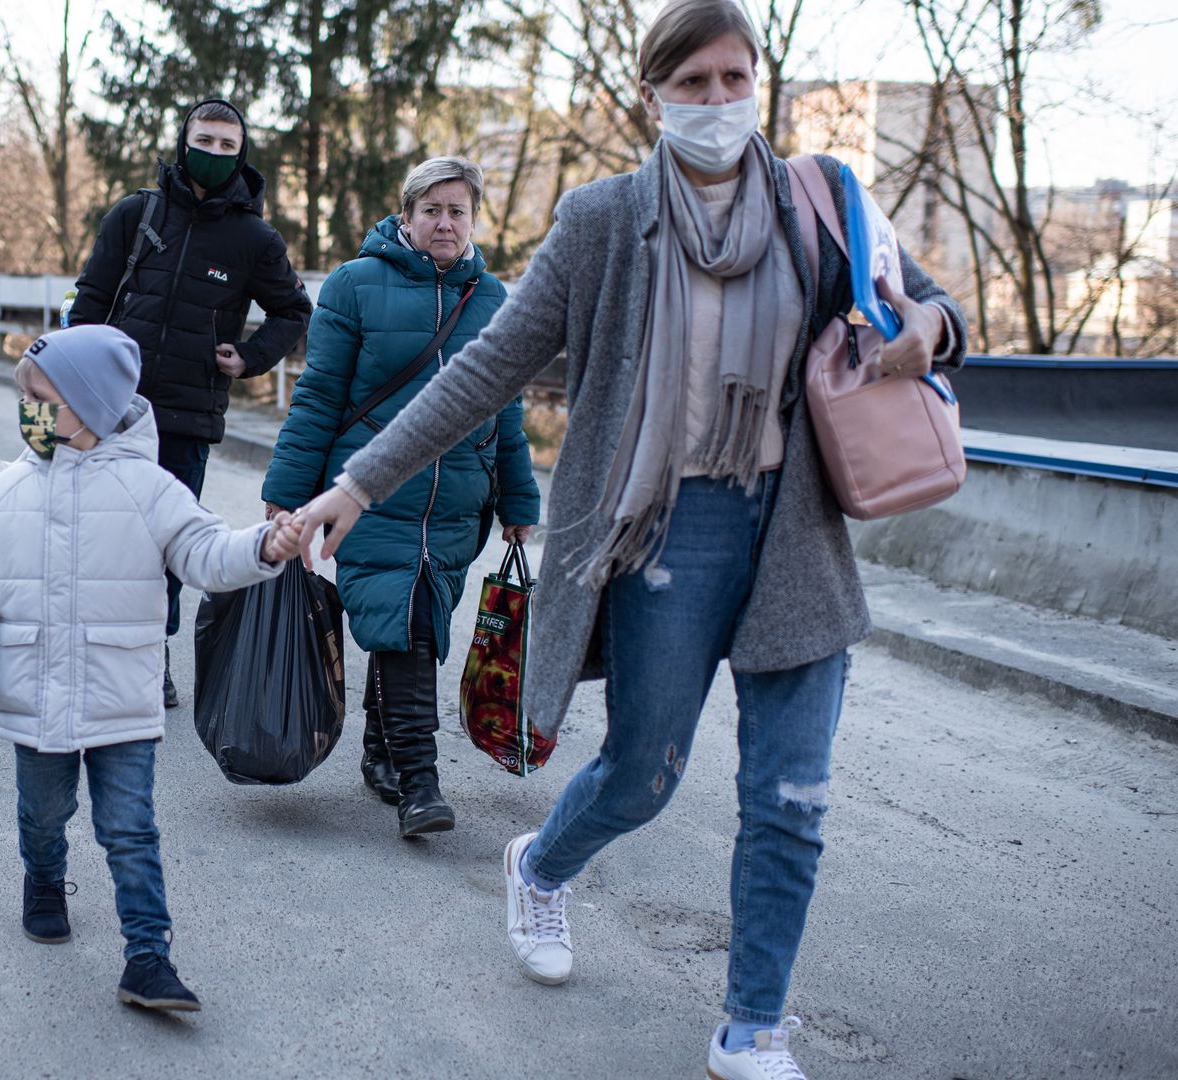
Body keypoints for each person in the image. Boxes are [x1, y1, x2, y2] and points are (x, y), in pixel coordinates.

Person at [297, 1, 969, 1074]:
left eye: (732, 78)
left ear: (760, 80)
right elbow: (488, 366)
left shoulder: (822, 199)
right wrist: (360, 481)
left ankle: (753, 1026)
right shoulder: (604, 220)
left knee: (791, 798)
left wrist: (929, 332)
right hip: (666, 530)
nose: (715, 102)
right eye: (690, 83)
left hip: (793, 529)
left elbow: (929, 308)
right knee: (644, 773)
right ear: (652, 95)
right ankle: (543, 867)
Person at [0, 324, 305, 1013]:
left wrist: (265, 546)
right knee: (44, 815)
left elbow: (206, 552)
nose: (29, 410)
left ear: (89, 405)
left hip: (121, 695)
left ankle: (148, 955)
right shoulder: (5, 490)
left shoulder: (149, 488)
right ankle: (44, 878)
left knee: (130, 827)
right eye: (26, 397)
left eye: (40, 396)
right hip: (34, 694)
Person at [262, 157, 541, 838]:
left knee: (417, 626)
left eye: (458, 211)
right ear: (407, 214)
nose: (445, 223)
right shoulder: (355, 286)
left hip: (456, 503)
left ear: (473, 219)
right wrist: (287, 493)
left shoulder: (495, 300)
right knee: (406, 616)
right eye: (432, 210)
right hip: (369, 490)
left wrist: (517, 500)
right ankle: (420, 782)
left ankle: (381, 749)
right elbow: (319, 394)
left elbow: (506, 410)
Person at [68, 98, 313, 708]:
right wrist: (68, 388)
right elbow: (90, 301)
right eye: (204, 141)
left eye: (228, 147)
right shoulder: (134, 214)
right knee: (96, 533)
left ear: (242, 155)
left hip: (185, 416)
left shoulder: (254, 239)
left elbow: (293, 311)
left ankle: (152, 654)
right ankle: (89, 647)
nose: (214, 155)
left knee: (165, 541)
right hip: (109, 412)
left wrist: (250, 357)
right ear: (183, 142)